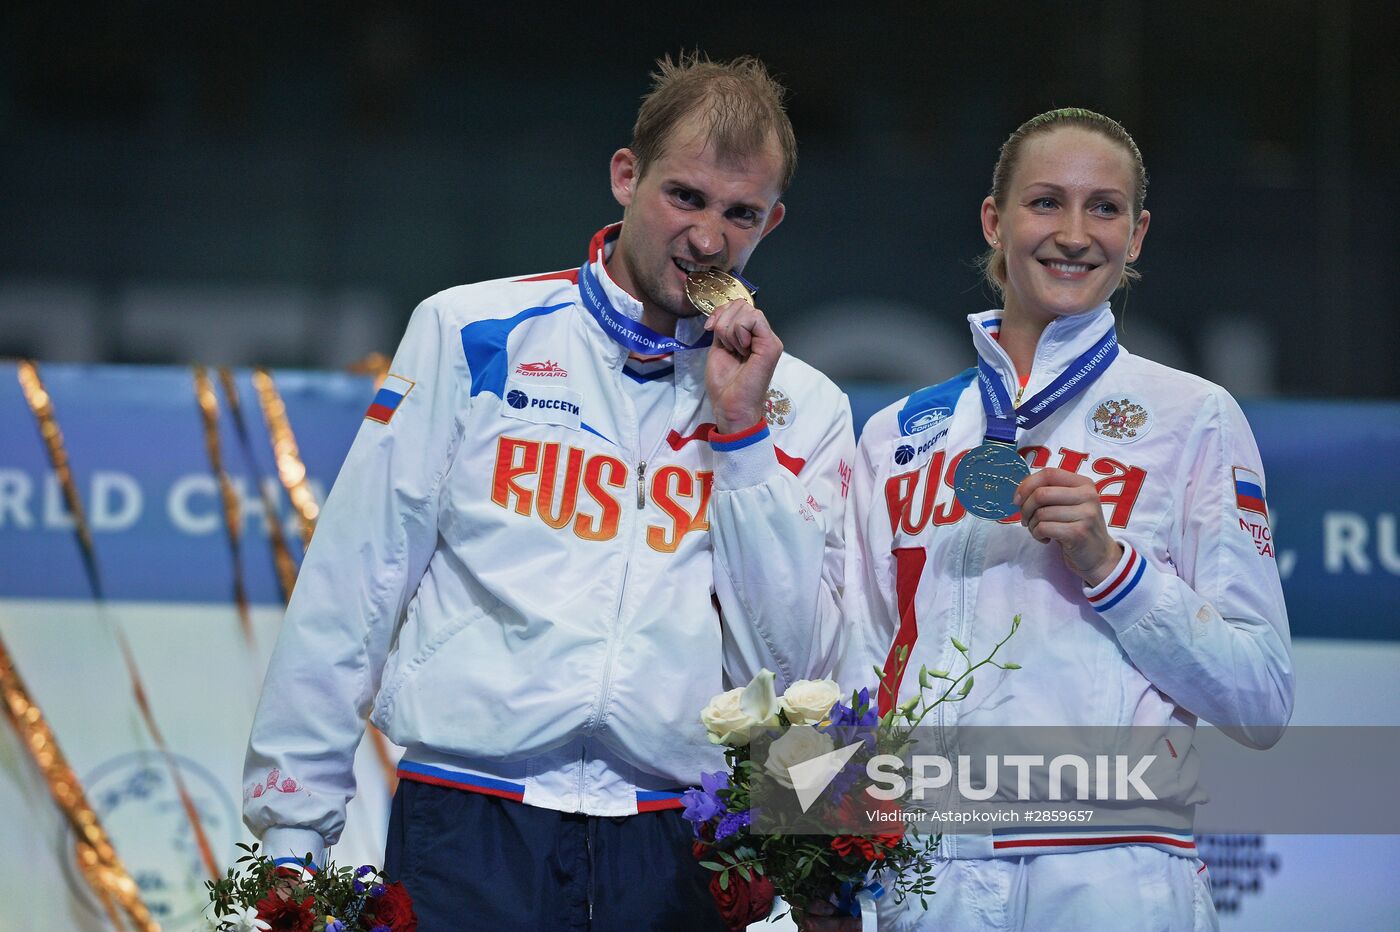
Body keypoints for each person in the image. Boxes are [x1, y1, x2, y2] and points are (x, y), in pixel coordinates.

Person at [243, 53, 854, 929]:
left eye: (741, 213)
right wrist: (292, 836)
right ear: (625, 175)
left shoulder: (802, 405)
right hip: (466, 816)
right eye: (684, 196)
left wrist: (744, 435)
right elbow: (357, 580)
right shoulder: (470, 331)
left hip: (678, 841)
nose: (710, 239)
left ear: (774, 220)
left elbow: (795, 670)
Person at [838, 108, 1293, 931]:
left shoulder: (1195, 416)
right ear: (995, 220)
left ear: (1139, 233)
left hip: (1109, 872)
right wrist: (828, 866)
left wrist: (1114, 567)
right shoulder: (899, 434)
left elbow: (1260, 698)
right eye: (1046, 202)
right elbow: (858, 667)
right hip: (927, 875)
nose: (1075, 234)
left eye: (1105, 208)